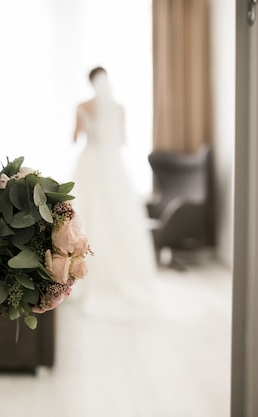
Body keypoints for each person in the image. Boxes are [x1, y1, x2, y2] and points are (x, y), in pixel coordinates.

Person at [71, 66, 160, 320]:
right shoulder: (119, 109)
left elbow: (75, 137)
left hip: (90, 162)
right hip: (114, 166)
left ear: (91, 83)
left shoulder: (83, 106)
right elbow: (122, 140)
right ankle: (122, 274)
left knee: (88, 215)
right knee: (116, 217)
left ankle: (87, 276)